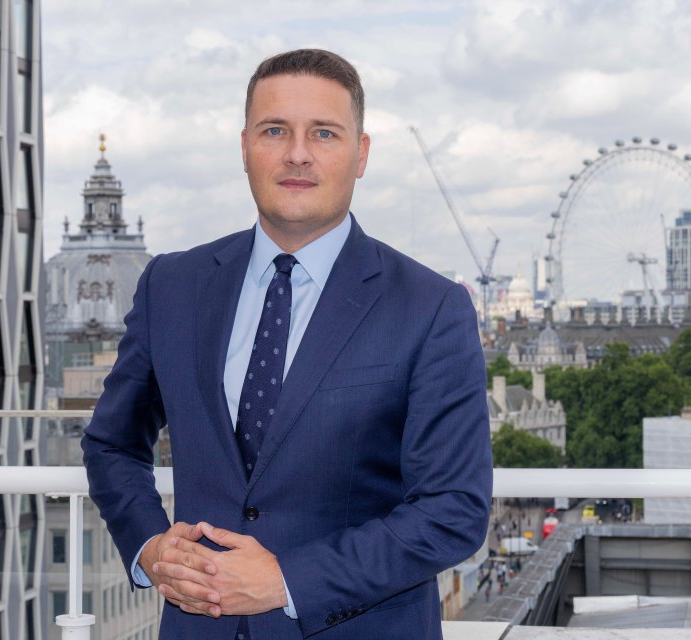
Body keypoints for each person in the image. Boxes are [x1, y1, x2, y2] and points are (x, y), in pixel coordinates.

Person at [81, 48, 492, 639]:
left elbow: (453, 509)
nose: (297, 153)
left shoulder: (430, 307)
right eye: (275, 130)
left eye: (324, 133)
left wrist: (288, 580)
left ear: (361, 154)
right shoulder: (170, 285)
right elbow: (111, 445)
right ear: (245, 146)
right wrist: (149, 546)